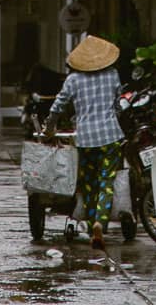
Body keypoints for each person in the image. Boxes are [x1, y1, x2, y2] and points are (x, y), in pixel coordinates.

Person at [43, 34, 122, 251]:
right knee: (107, 182)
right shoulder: (113, 75)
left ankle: (89, 225)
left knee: (88, 183)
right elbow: (118, 104)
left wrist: (48, 128)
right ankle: (101, 222)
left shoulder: (73, 80)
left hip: (85, 138)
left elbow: (57, 107)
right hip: (111, 135)